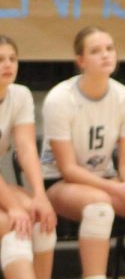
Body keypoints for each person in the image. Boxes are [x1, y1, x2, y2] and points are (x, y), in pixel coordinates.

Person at [42, 27, 125, 279]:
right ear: (81, 61)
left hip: (106, 180)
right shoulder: (60, 99)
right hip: (61, 183)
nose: (106, 55)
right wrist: (118, 190)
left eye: (110, 48)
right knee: (99, 208)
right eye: (96, 51)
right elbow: (68, 169)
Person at [0, 36, 57, 279]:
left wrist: (40, 196)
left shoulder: (19, 95)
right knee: (13, 223)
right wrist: (13, 206)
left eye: (13, 59)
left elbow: (25, 148)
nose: (8, 65)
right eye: (0, 60)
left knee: (39, 218)